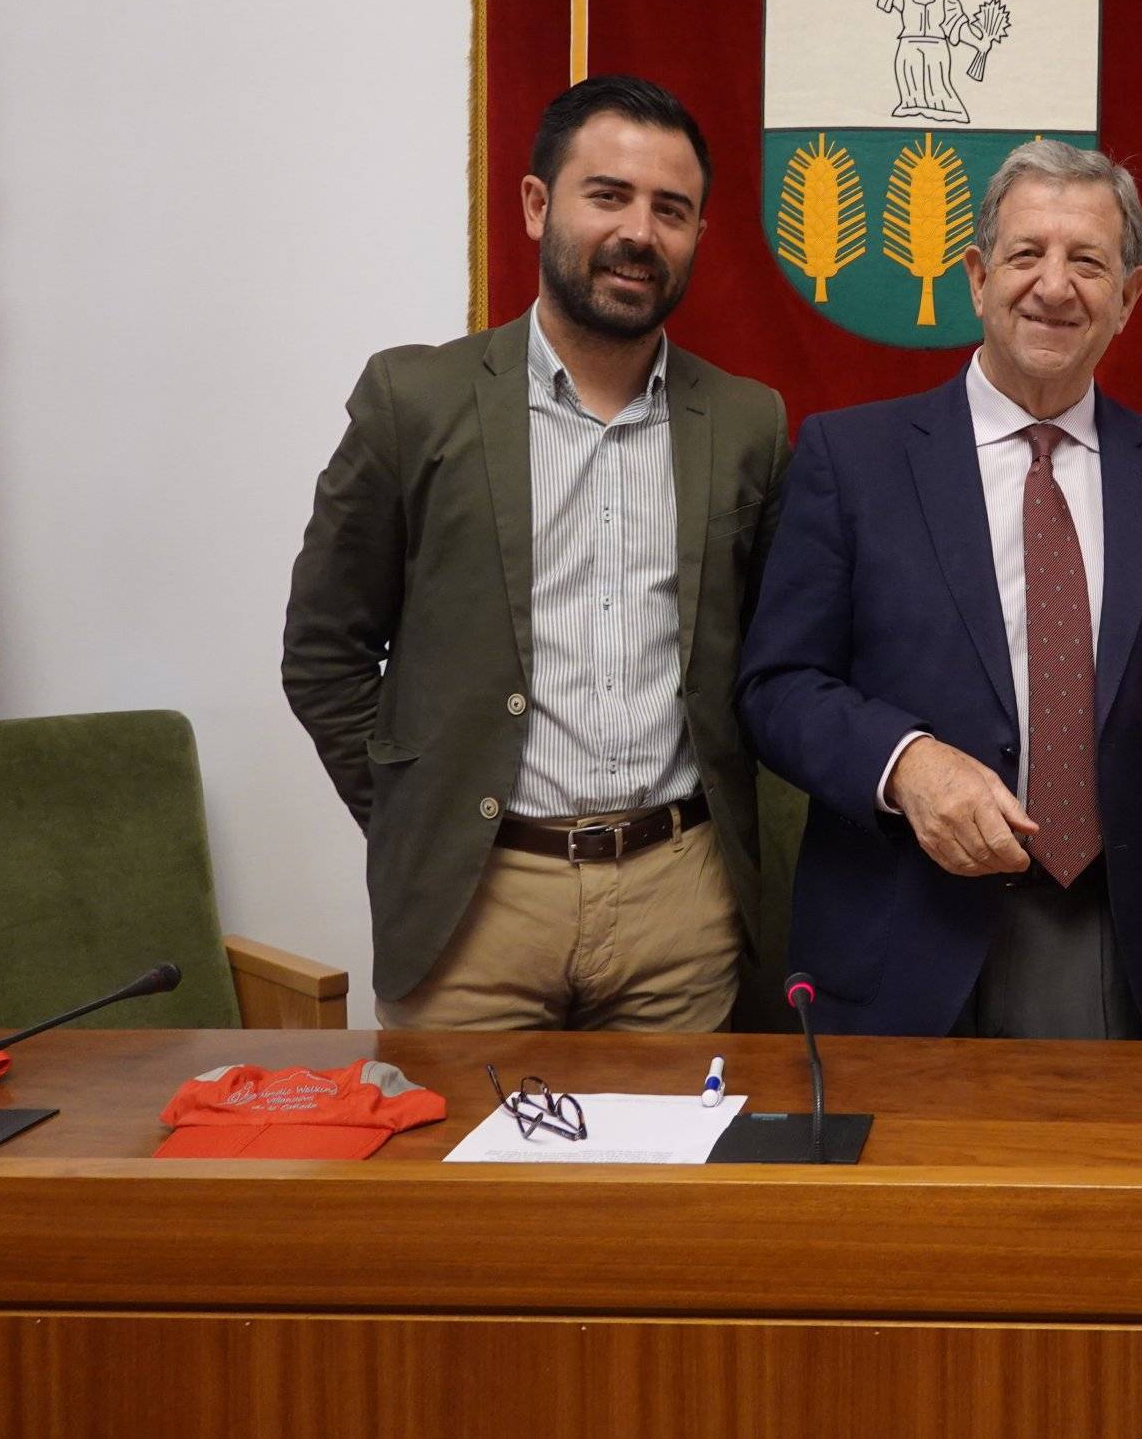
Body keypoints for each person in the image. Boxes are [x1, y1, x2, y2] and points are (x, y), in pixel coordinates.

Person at [283, 75, 789, 1032]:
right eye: (608, 195)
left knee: (667, 1182)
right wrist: (422, 816)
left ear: (696, 238)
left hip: (677, 909)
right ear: (535, 204)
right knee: (466, 1183)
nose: (639, 230)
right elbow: (323, 651)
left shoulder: (747, 423)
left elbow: (772, 666)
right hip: (475, 915)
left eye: (670, 209)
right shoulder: (413, 401)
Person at [737, 140, 1142, 1039]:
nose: (1054, 285)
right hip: (892, 934)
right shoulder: (852, 459)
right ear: (974, 276)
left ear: (1130, 297)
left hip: (1100, 939)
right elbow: (775, 690)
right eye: (1025, 254)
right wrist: (905, 760)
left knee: (1083, 1183)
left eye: (1088, 261)